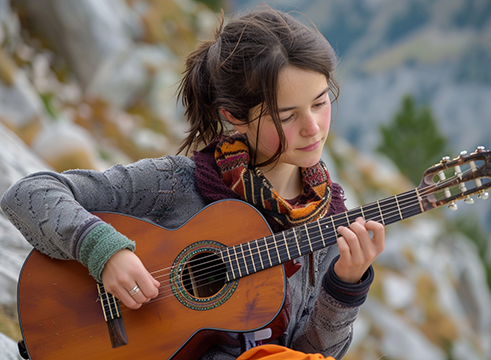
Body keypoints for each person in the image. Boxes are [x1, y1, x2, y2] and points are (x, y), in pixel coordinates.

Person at [0, 4, 385, 360]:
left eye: (320, 103)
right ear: (234, 116)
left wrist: (343, 289)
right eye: (287, 116)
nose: (312, 127)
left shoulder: (329, 228)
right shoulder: (177, 183)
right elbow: (29, 195)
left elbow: (307, 352)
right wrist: (105, 252)